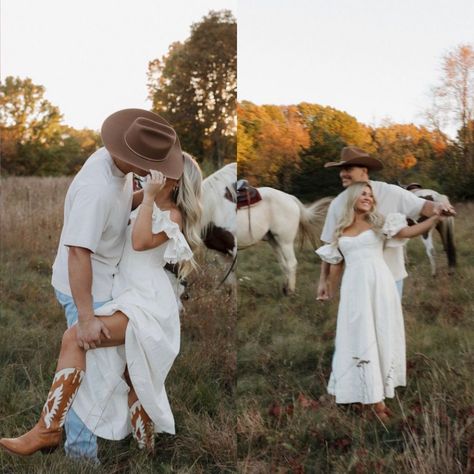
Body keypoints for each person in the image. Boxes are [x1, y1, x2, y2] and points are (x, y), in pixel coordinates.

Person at [0, 109, 201, 458]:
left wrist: (149, 196)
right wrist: (87, 316)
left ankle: (56, 433)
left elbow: (136, 233)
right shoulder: (101, 188)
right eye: (152, 164)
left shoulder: (156, 202)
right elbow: (81, 250)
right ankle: (90, 450)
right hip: (103, 289)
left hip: (141, 301)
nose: (156, 171)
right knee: (107, 362)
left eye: (164, 170)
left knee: (111, 360)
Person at [315, 182, 445, 420]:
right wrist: (328, 289)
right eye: (362, 194)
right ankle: (361, 391)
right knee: (357, 336)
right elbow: (336, 264)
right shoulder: (340, 230)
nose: (367, 198)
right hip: (354, 289)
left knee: (380, 334)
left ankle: (377, 400)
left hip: (379, 285)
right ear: (352, 198)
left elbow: (409, 232)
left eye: (370, 195)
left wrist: (434, 218)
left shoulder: (379, 222)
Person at [317, 146, 455, 300]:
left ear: (364, 171)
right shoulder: (337, 204)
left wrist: (439, 207)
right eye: (341, 170)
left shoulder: (390, 192)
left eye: (348, 169)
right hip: (356, 281)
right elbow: (329, 246)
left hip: (391, 277)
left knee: (388, 323)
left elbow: (422, 206)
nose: (342, 174)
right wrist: (323, 280)